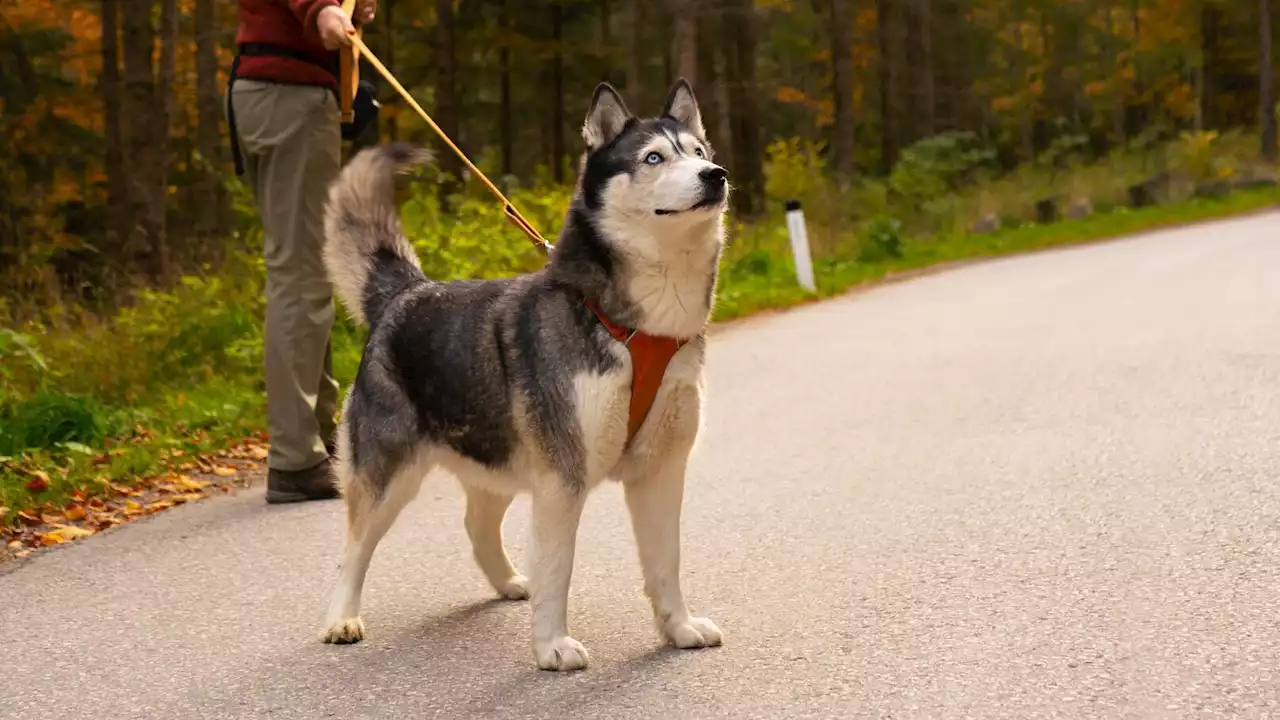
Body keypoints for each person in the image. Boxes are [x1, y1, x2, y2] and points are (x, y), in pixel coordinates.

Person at [227, 0, 376, 503]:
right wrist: (322, 10)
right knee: (301, 276)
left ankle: (315, 437)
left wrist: (347, 11)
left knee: (306, 268)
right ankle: (295, 459)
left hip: (281, 94)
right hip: (288, 98)